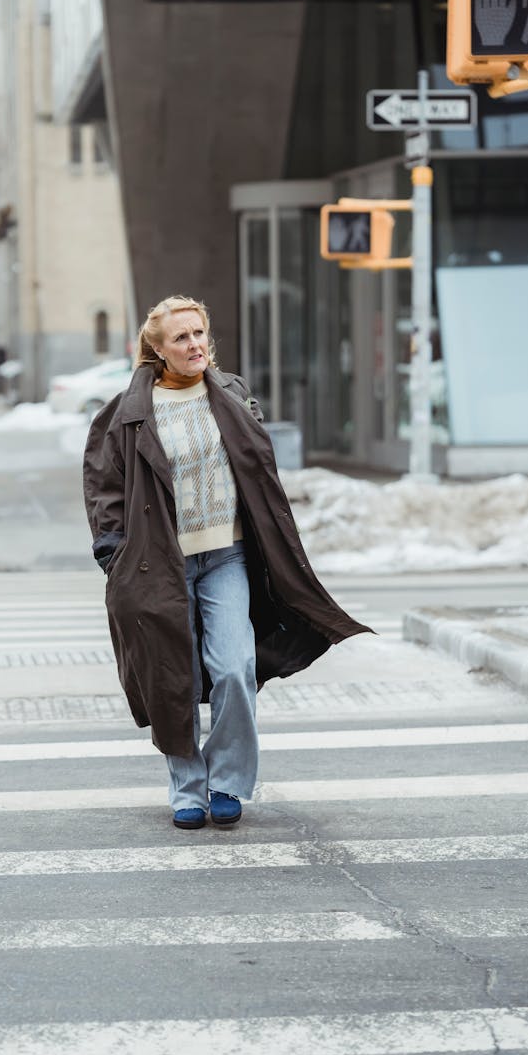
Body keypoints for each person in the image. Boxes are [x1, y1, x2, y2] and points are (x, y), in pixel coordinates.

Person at [83, 296, 370, 830]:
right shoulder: (126, 413)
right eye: (181, 338)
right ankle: (188, 788)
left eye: (199, 334)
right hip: (159, 561)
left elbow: (258, 470)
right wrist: (113, 551)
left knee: (235, 667)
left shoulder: (232, 395)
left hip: (228, 555)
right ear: (158, 349)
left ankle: (229, 782)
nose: (194, 345)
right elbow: (104, 487)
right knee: (175, 676)